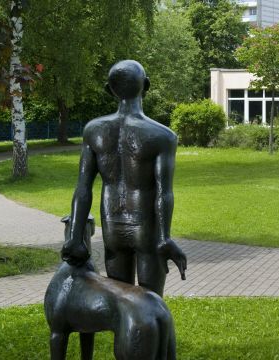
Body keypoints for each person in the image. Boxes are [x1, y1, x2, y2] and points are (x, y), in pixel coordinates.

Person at [61, 60, 187, 296]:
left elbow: (83, 187)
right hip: (145, 229)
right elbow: (164, 192)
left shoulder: (93, 131)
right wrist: (164, 237)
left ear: (109, 90)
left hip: (113, 227)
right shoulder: (162, 136)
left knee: (120, 303)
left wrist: (76, 236)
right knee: (150, 303)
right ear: (146, 86)